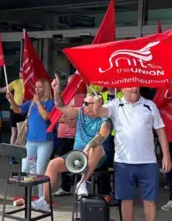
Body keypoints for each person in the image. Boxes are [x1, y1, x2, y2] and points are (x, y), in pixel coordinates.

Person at [31, 76, 111, 211]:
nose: (83, 106)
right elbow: (60, 106)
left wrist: (88, 146)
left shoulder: (105, 117)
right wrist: (56, 90)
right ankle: (45, 201)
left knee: (96, 147)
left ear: (97, 105)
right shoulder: (80, 112)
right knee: (53, 164)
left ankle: (83, 182)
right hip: (78, 156)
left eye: (87, 103)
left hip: (98, 157)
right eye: (84, 103)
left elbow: (102, 135)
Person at [94, 87, 172, 221]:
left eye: (136, 85)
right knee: (126, 200)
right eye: (130, 85)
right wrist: (97, 103)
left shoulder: (150, 105)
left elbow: (160, 130)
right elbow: (99, 112)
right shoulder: (115, 104)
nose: (134, 88)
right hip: (123, 163)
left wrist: (166, 155)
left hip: (148, 162)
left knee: (150, 201)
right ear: (123, 89)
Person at [7, 78, 54, 197]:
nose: (37, 89)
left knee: (40, 171)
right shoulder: (31, 102)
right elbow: (18, 110)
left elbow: (46, 117)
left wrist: (38, 102)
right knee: (26, 169)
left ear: (46, 89)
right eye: (36, 87)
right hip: (30, 141)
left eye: (40, 87)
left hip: (45, 141)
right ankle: (29, 197)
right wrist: (11, 100)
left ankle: (41, 198)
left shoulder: (50, 103)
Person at [52, 75, 85, 197]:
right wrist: (66, 119)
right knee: (63, 163)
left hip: (77, 137)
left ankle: (79, 187)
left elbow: (83, 117)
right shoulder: (63, 98)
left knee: (78, 163)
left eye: (75, 83)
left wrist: (73, 119)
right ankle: (65, 187)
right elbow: (54, 117)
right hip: (63, 136)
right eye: (70, 83)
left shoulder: (82, 98)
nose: (73, 85)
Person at [0, 68, 25, 164]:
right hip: (14, 109)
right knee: (14, 133)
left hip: (24, 110)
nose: (20, 72)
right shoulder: (16, 82)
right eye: (19, 71)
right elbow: (2, 89)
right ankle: (12, 156)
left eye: (22, 71)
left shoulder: (30, 82)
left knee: (22, 133)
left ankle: (22, 155)